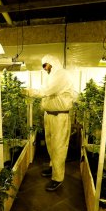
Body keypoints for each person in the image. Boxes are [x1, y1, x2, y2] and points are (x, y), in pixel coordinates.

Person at [25, 55, 76, 191]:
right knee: (51, 144)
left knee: (59, 146)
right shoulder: (52, 76)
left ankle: (57, 178)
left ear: (52, 63)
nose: (44, 68)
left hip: (60, 116)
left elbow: (46, 91)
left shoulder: (61, 75)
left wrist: (28, 91)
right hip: (49, 115)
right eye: (43, 66)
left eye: (45, 65)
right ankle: (53, 168)